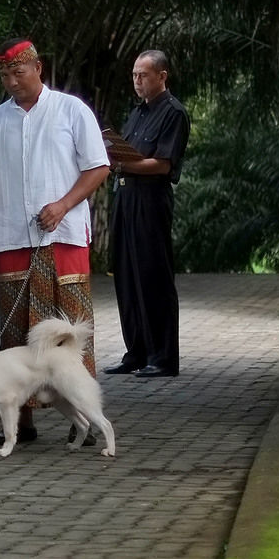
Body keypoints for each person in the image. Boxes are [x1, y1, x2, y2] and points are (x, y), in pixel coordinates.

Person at [0, 37, 112, 442]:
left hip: (63, 237)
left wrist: (64, 204)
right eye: (5, 75)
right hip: (12, 237)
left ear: (39, 68)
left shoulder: (71, 110)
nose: (12, 81)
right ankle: (21, 421)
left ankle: (81, 417)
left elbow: (98, 167)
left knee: (68, 331)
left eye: (19, 72)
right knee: (17, 334)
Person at [105, 49, 190, 378]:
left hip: (151, 200)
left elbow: (163, 163)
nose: (137, 81)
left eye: (144, 75)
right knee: (127, 276)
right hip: (125, 197)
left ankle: (163, 357)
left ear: (162, 76)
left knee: (153, 276)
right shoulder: (137, 113)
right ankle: (136, 351)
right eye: (134, 75)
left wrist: (123, 163)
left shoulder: (173, 113)